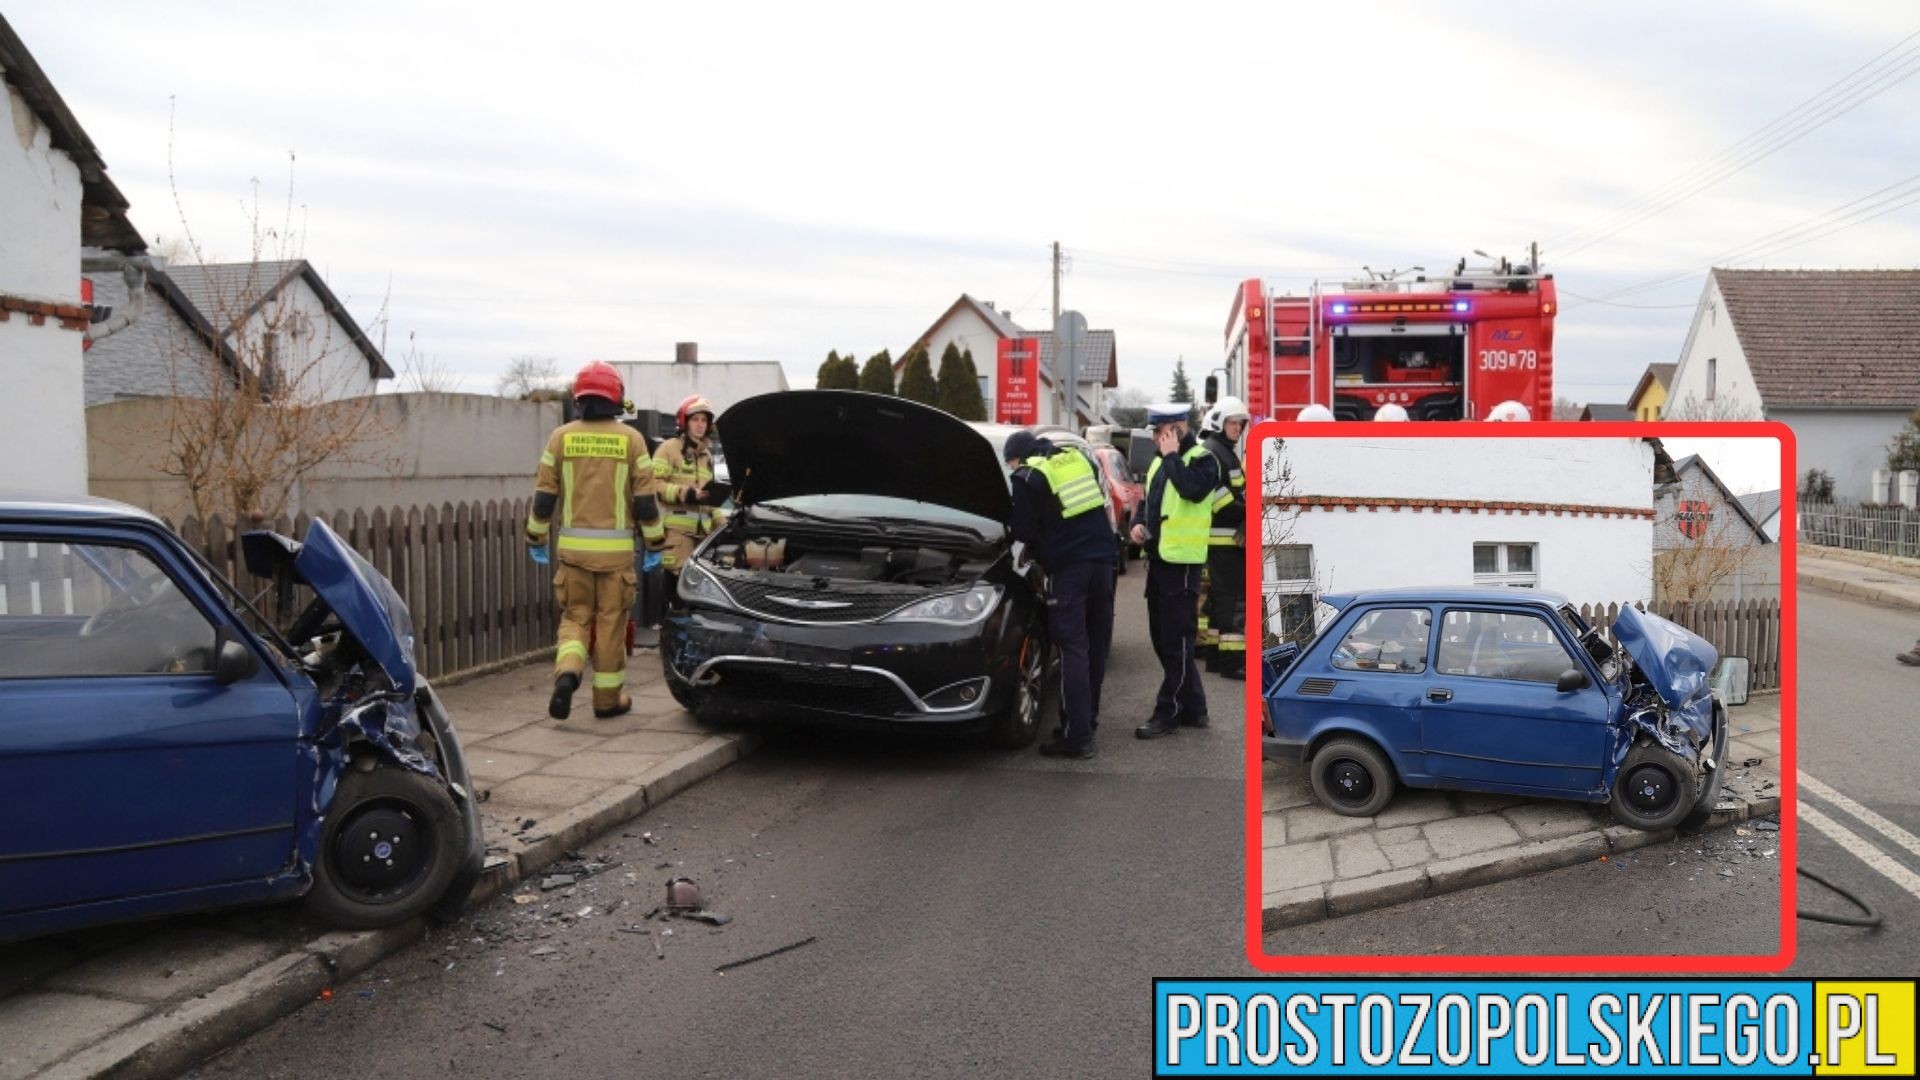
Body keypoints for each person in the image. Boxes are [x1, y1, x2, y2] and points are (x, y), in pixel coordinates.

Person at [528, 361, 657, 721]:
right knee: (611, 623)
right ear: (616, 398)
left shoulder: (561, 437)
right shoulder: (632, 440)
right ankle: (606, 701)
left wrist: (535, 537)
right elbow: (646, 503)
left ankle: (568, 673)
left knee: (575, 618)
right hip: (616, 559)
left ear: (580, 397)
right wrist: (656, 546)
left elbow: (543, 498)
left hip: (573, 556)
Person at [1005, 429, 1117, 758]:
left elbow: (1022, 531)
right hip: (1103, 563)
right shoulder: (1078, 459)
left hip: (1070, 570)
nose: (1011, 470)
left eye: (1010, 463)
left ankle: (1077, 738)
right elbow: (1081, 510)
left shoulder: (1027, 477)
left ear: (1018, 457)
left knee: (1072, 648)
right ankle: (1085, 721)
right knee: (1094, 647)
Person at [1129, 404, 1221, 739]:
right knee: (1163, 638)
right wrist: (1138, 525)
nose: (1155, 438)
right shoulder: (1157, 462)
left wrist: (1171, 457)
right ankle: (1194, 707)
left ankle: (1168, 711)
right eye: (1154, 432)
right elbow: (1147, 503)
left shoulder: (1202, 459)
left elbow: (1192, 491)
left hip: (1183, 563)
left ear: (1177, 429)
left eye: (1160, 432)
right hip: (1159, 561)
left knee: (1177, 640)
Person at [641, 395, 726, 601]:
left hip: (702, 538)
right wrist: (685, 493)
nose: (700, 425)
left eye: (704, 420)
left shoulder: (706, 454)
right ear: (684, 422)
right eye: (695, 419)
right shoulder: (669, 449)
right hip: (677, 536)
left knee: (696, 596)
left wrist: (723, 525)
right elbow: (653, 484)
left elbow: (708, 499)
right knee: (675, 593)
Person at [1199, 396, 1251, 679]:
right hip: (1226, 542)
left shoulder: (1223, 452)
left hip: (1227, 541)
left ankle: (1217, 659)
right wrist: (1250, 513)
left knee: (1221, 603)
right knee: (1233, 603)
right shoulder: (1214, 452)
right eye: (1233, 423)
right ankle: (1233, 664)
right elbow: (1220, 502)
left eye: (1241, 423)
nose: (1238, 428)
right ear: (1220, 423)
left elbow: (1236, 495)